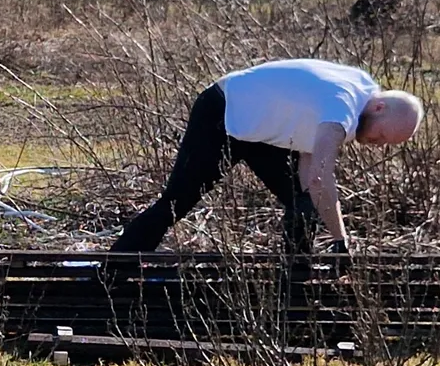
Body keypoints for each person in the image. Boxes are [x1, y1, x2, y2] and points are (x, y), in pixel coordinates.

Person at [111, 59, 423, 255]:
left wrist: (333, 234)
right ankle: (114, 275)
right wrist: (340, 241)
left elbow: (309, 172)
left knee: (303, 202)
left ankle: (294, 285)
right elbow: (321, 177)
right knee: (176, 203)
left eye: (386, 145)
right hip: (223, 112)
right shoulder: (342, 108)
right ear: (379, 108)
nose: (378, 145)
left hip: (260, 131)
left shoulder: (361, 89)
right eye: (382, 136)